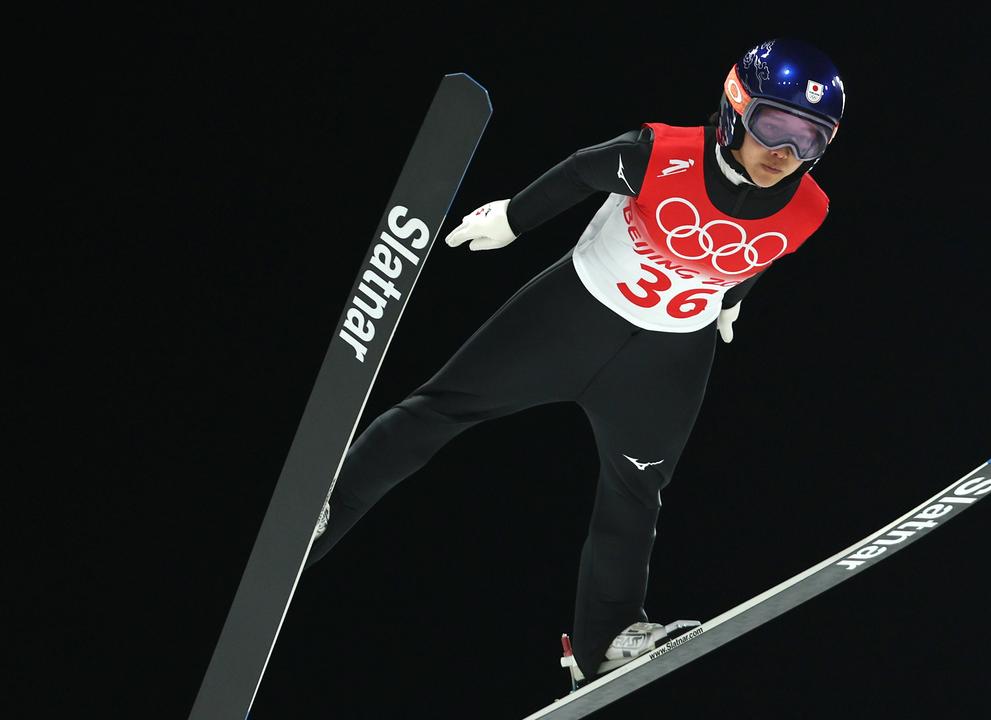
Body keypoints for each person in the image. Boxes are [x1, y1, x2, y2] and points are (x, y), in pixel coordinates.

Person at [305, 37, 845, 688]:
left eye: (810, 139)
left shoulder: (809, 209)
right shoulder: (663, 153)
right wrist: (513, 218)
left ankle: (606, 640)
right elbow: (581, 170)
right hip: (571, 317)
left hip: (668, 360)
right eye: (774, 125)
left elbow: (762, 250)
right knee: (441, 409)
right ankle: (323, 509)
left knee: (635, 492)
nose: (785, 152)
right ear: (735, 110)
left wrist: (732, 301)